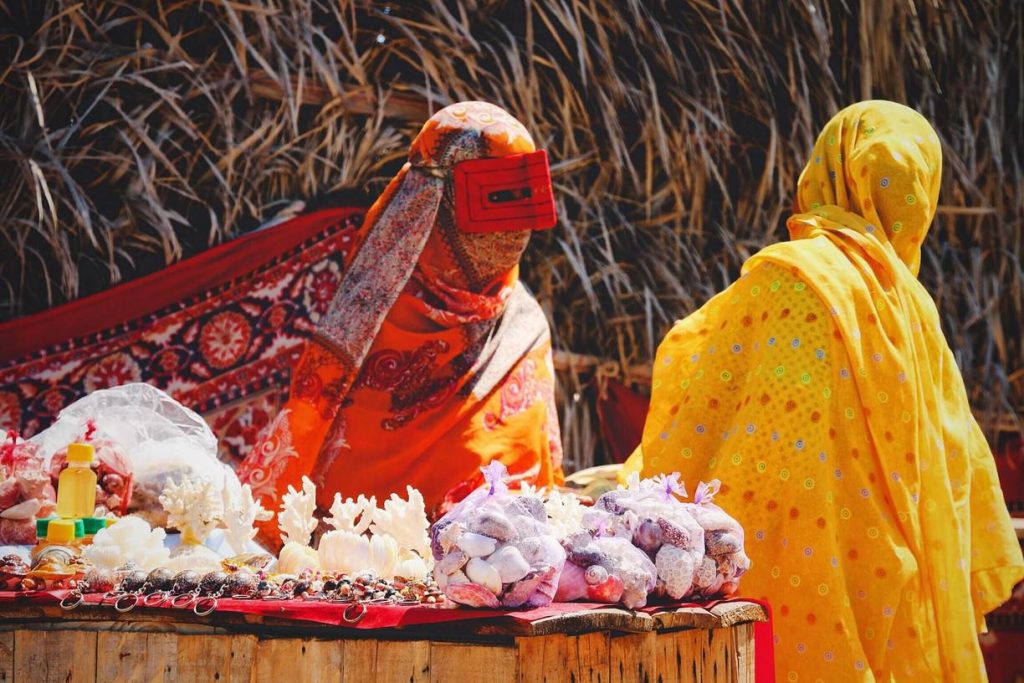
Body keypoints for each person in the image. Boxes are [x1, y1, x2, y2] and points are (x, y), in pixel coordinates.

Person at [623, 100, 1023, 680]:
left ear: (827, 170)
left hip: (773, 573)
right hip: (891, 581)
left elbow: (706, 393)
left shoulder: (788, 279)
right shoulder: (914, 311)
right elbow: (955, 466)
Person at [239, 102, 563, 531]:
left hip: (500, 571)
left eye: (520, 211)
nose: (511, 238)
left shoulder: (523, 326)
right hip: (350, 569)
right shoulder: (364, 321)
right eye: (493, 209)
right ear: (433, 207)